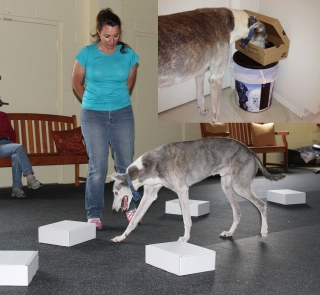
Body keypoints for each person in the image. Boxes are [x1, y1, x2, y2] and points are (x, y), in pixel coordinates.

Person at [72, 8, 139, 230]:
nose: (112, 41)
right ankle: (94, 213)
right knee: (98, 166)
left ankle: (130, 207)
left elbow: (129, 82)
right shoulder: (87, 53)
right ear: (98, 32)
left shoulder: (127, 53)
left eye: (116, 35)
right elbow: (76, 83)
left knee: (126, 164)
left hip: (122, 113)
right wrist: (93, 103)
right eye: (107, 35)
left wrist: (115, 101)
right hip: (93, 115)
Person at [0, 111, 43, 198]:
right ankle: (30, 177)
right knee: (18, 147)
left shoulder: (3, 115)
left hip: (6, 144)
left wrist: (12, 144)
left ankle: (16, 188)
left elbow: (11, 132)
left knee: (16, 156)